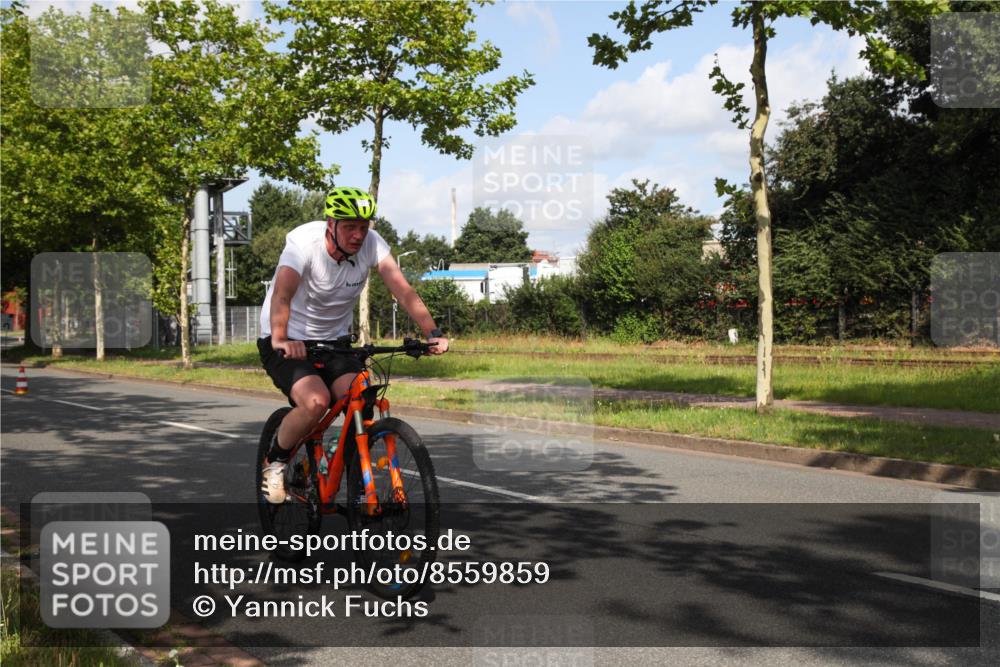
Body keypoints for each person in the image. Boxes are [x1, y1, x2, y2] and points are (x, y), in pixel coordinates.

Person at [257, 186, 449, 503]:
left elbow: (403, 290)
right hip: (287, 339)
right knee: (316, 402)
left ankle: (353, 477)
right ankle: (274, 463)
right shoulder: (304, 244)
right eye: (350, 227)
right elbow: (282, 294)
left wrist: (432, 332)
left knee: (361, 395)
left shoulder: (372, 244)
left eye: (363, 226)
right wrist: (281, 338)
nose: (358, 235)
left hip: (335, 342)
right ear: (330, 224)